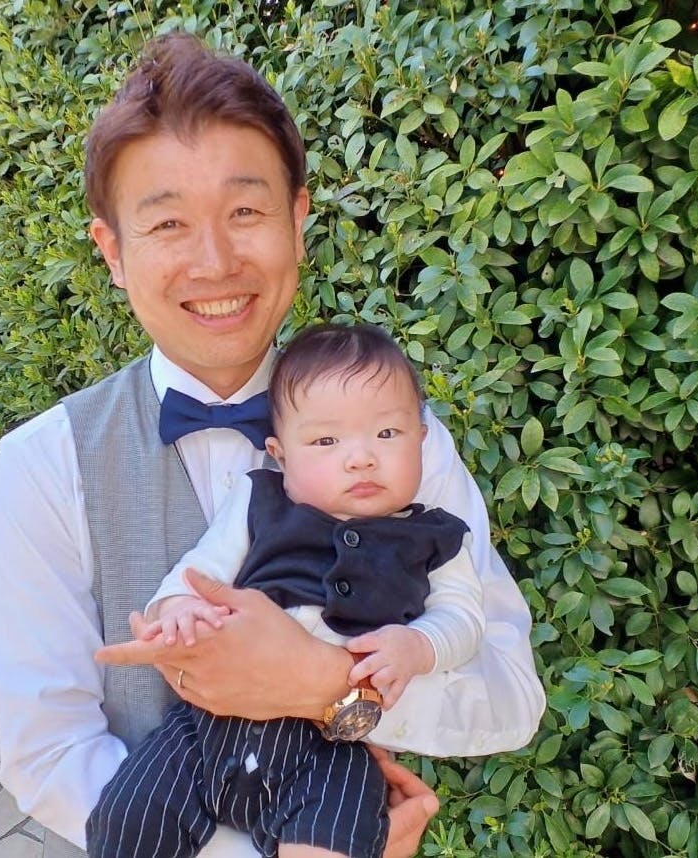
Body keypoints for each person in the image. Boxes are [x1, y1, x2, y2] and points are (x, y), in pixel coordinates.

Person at [0, 31, 545, 858]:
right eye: (167, 222)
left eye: (245, 212)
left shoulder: (403, 444)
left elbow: (510, 696)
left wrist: (324, 686)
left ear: (298, 220)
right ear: (113, 253)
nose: (214, 261)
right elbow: (48, 753)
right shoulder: (43, 463)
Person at [86, 323, 488, 858]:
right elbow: (199, 569)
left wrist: (419, 645)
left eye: (387, 433)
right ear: (280, 454)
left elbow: (464, 617)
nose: (361, 457)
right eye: (326, 441)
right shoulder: (260, 501)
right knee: (128, 815)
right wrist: (178, 609)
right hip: (204, 729)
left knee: (333, 838)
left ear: (422, 436)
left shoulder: (437, 536)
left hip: (331, 750)